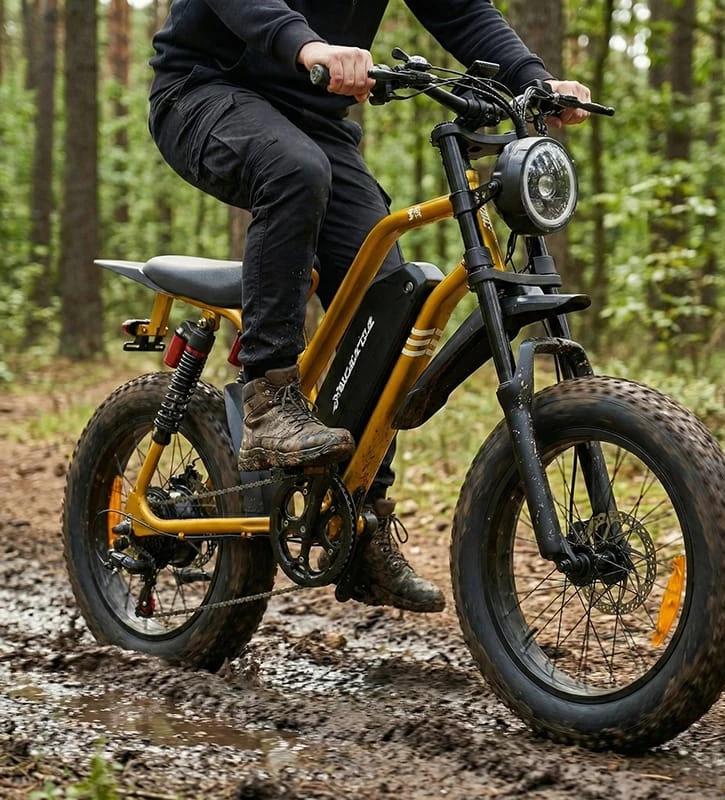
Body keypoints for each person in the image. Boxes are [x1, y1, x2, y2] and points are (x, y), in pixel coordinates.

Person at [148, 1, 591, 615]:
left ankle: (358, 522)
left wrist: (530, 77)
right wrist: (308, 47)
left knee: (390, 298)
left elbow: (459, 8)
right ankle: (268, 397)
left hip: (315, 120)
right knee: (292, 171)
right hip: (205, 92)